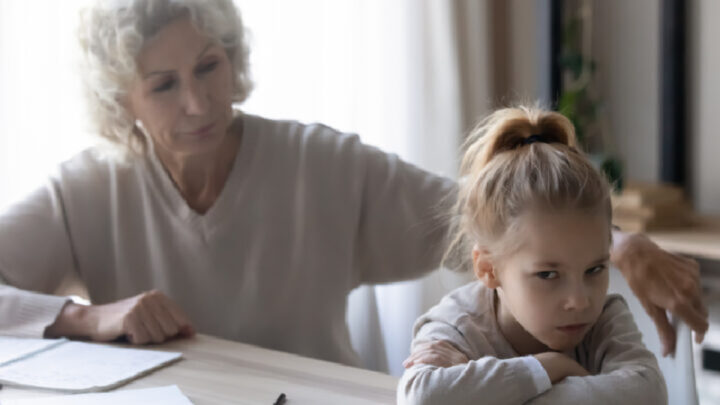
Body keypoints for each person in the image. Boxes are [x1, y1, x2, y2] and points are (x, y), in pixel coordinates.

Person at [0, 0, 707, 367]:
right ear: (120, 99)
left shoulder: (318, 161)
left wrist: (617, 245)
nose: (197, 102)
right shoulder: (86, 188)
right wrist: (89, 317)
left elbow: (484, 223)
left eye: (209, 67)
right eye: (163, 84)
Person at [398, 107, 666, 404]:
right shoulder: (457, 325)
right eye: (548, 274)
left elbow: (649, 393)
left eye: (594, 269)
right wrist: (552, 366)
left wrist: (481, 391)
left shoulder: (605, 318)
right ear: (488, 268)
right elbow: (422, 397)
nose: (580, 300)